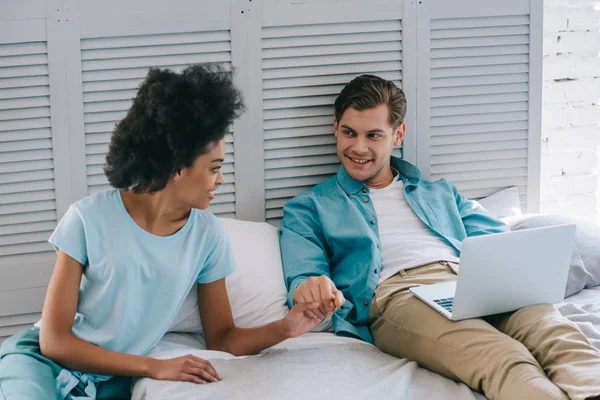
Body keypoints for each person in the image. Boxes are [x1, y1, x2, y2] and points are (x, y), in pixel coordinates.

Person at [0, 64, 321, 400]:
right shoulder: (87, 218)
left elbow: (222, 338)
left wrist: (285, 328)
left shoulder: (207, 236)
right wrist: (153, 366)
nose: (221, 180)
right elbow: (54, 341)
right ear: (177, 165)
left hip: (111, 381)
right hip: (41, 364)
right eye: (214, 168)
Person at [279, 74, 600, 400]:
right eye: (349, 132)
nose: (358, 147)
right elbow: (302, 281)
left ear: (398, 134)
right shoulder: (308, 208)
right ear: (335, 126)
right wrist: (310, 289)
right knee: (503, 358)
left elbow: (497, 239)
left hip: (477, 281)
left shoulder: (439, 192)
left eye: (373, 135)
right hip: (400, 295)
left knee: (560, 337)